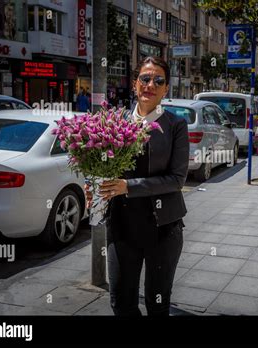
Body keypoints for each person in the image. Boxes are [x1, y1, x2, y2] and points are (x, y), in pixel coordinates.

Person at [84, 56, 189, 316]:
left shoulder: (176, 125)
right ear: (135, 84)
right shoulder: (114, 122)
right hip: (121, 226)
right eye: (144, 78)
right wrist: (93, 185)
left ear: (166, 89)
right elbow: (99, 164)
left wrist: (127, 186)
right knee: (121, 302)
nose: (150, 84)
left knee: (156, 305)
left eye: (158, 80)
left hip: (163, 229)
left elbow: (177, 180)